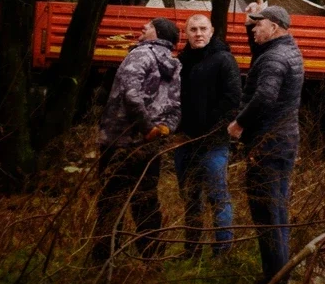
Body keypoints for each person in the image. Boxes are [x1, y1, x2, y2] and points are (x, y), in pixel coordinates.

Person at [92, 17, 182, 263]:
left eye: (149, 26)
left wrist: (146, 128)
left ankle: (103, 260)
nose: (143, 28)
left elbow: (131, 96)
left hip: (119, 140)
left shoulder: (140, 55)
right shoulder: (174, 64)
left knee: (111, 200)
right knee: (145, 199)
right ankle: (152, 257)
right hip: (150, 145)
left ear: (158, 33)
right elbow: (175, 107)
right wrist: (163, 129)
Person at [227, 4, 304, 284]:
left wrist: (239, 123)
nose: (254, 29)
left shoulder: (274, 59)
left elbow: (265, 96)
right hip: (283, 143)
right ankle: (279, 276)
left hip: (268, 146)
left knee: (267, 215)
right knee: (277, 212)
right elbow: (260, 50)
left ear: (274, 27)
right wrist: (252, 19)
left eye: (259, 25)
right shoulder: (285, 49)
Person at [176, 13, 242, 257]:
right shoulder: (182, 61)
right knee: (190, 195)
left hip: (214, 142)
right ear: (186, 33)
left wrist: (212, 129)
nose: (198, 34)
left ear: (212, 31)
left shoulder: (224, 59)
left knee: (217, 196)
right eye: (193, 29)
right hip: (186, 141)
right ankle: (191, 249)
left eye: (203, 28)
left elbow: (233, 99)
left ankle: (222, 252)